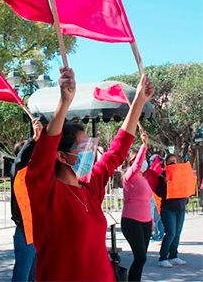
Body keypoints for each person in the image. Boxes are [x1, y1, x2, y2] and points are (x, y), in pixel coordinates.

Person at [25, 66, 154, 282]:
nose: (89, 151)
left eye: (89, 145)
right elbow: (44, 151)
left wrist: (139, 101)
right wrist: (64, 102)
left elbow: (117, 150)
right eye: (81, 146)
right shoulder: (45, 192)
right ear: (60, 155)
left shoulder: (89, 188)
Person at [11, 119, 42, 282]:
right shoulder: (19, 170)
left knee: (33, 276)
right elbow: (21, 160)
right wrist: (33, 140)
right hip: (25, 231)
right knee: (22, 276)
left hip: (36, 230)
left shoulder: (32, 175)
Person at [121, 131, 153, 282]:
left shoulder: (143, 178)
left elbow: (147, 201)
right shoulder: (129, 175)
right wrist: (144, 145)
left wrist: (151, 222)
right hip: (132, 221)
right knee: (140, 257)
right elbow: (138, 162)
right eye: (139, 160)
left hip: (146, 223)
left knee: (142, 258)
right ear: (131, 162)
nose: (143, 162)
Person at [157, 154, 187, 268]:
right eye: (170, 162)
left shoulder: (182, 175)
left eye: (175, 161)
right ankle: (163, 257)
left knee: (177, 233)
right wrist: (165, 183)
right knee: (171, 233)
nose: (173, 163)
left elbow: (186, 188)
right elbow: (159, 192)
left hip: (181, 207)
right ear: (166, 164)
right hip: (168, 208)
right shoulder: (162, 176)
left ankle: (173, 256)